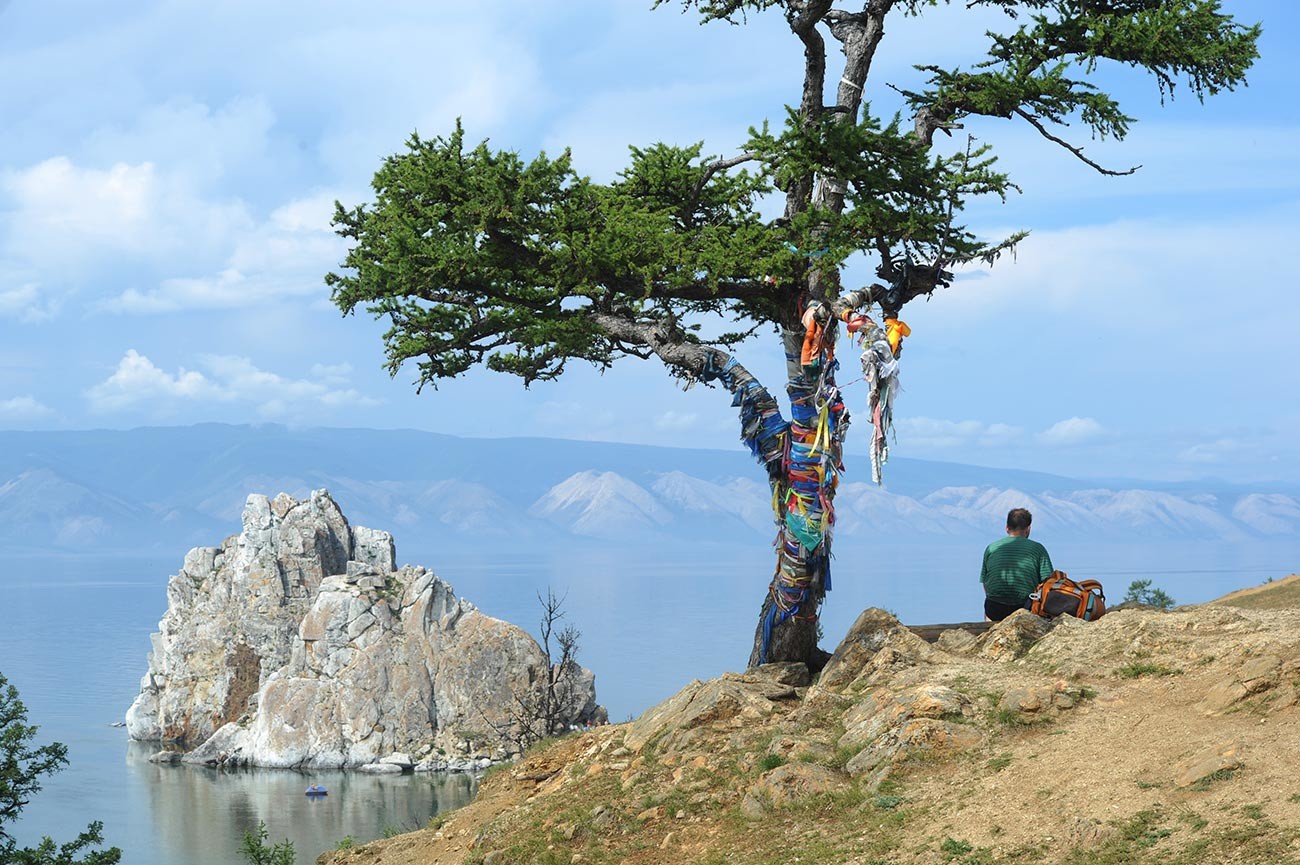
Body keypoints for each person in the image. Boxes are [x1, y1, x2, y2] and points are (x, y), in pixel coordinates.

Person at [980, 508, 1053, 621]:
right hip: (1024, 607)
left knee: (991, 605)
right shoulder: (1037, 549)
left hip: (994, 608)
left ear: (1007, 528)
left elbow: (985, 582)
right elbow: (1048, 582)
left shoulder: (991, 548)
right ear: (1028, 529)